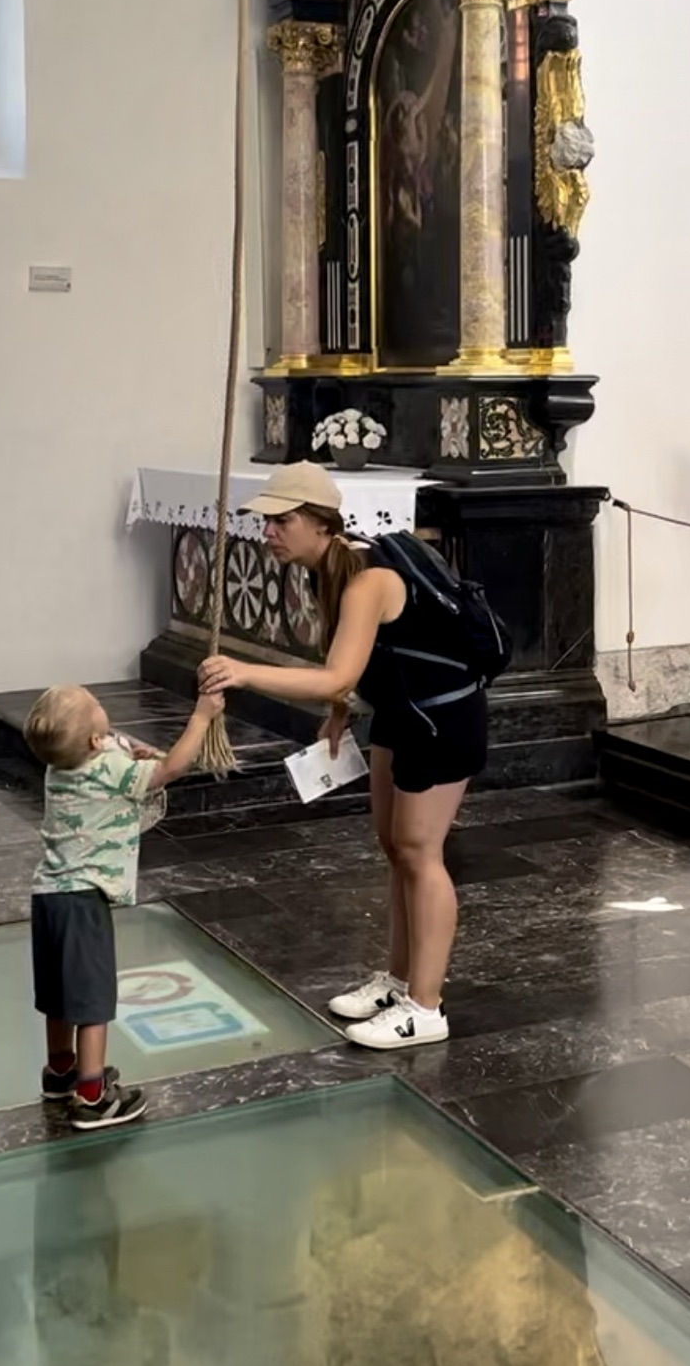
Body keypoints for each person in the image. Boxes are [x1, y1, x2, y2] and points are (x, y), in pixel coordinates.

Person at [200, 464, 487, 1051]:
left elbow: (338, 670)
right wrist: (339, 712)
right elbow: (364, 662)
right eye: (268, 521)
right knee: (393, 847)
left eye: (283, 521)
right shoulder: (331, 570)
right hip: (404, 713)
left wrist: (244, 670)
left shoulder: (366, 579)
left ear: (320, 524)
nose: (270, 533)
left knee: (420, 852)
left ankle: (425, 1008)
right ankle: (400, 981)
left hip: (444, 718)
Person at [24, 683, 223, 1129]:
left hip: (48, 898)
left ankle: (60, 1072)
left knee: (58, 996)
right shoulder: (108, 768)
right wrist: (203, 717)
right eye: (99, 710)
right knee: (93, 1001)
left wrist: (122, 749)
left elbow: (109, 750)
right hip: (84, 901)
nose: (105, 711)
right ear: (95, 742)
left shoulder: (59, 766)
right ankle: (92, 1095)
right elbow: (171, 767)